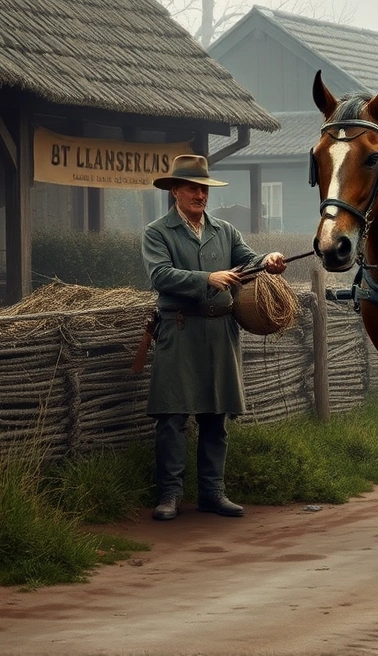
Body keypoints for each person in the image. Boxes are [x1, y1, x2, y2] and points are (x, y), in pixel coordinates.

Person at [142, 154, 288, 521]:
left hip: (221, 332)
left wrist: (268, 259)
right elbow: (160, 275)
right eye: (192, 188)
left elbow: (248, 260)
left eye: (204, 189)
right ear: (174, 190)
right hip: (179, 329)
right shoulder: (157, 232)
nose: (200, 195)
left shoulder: (225, 231)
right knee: (172, 418)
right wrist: (206, 279)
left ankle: (212, 493)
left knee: (215, 416)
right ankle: (169, 495)